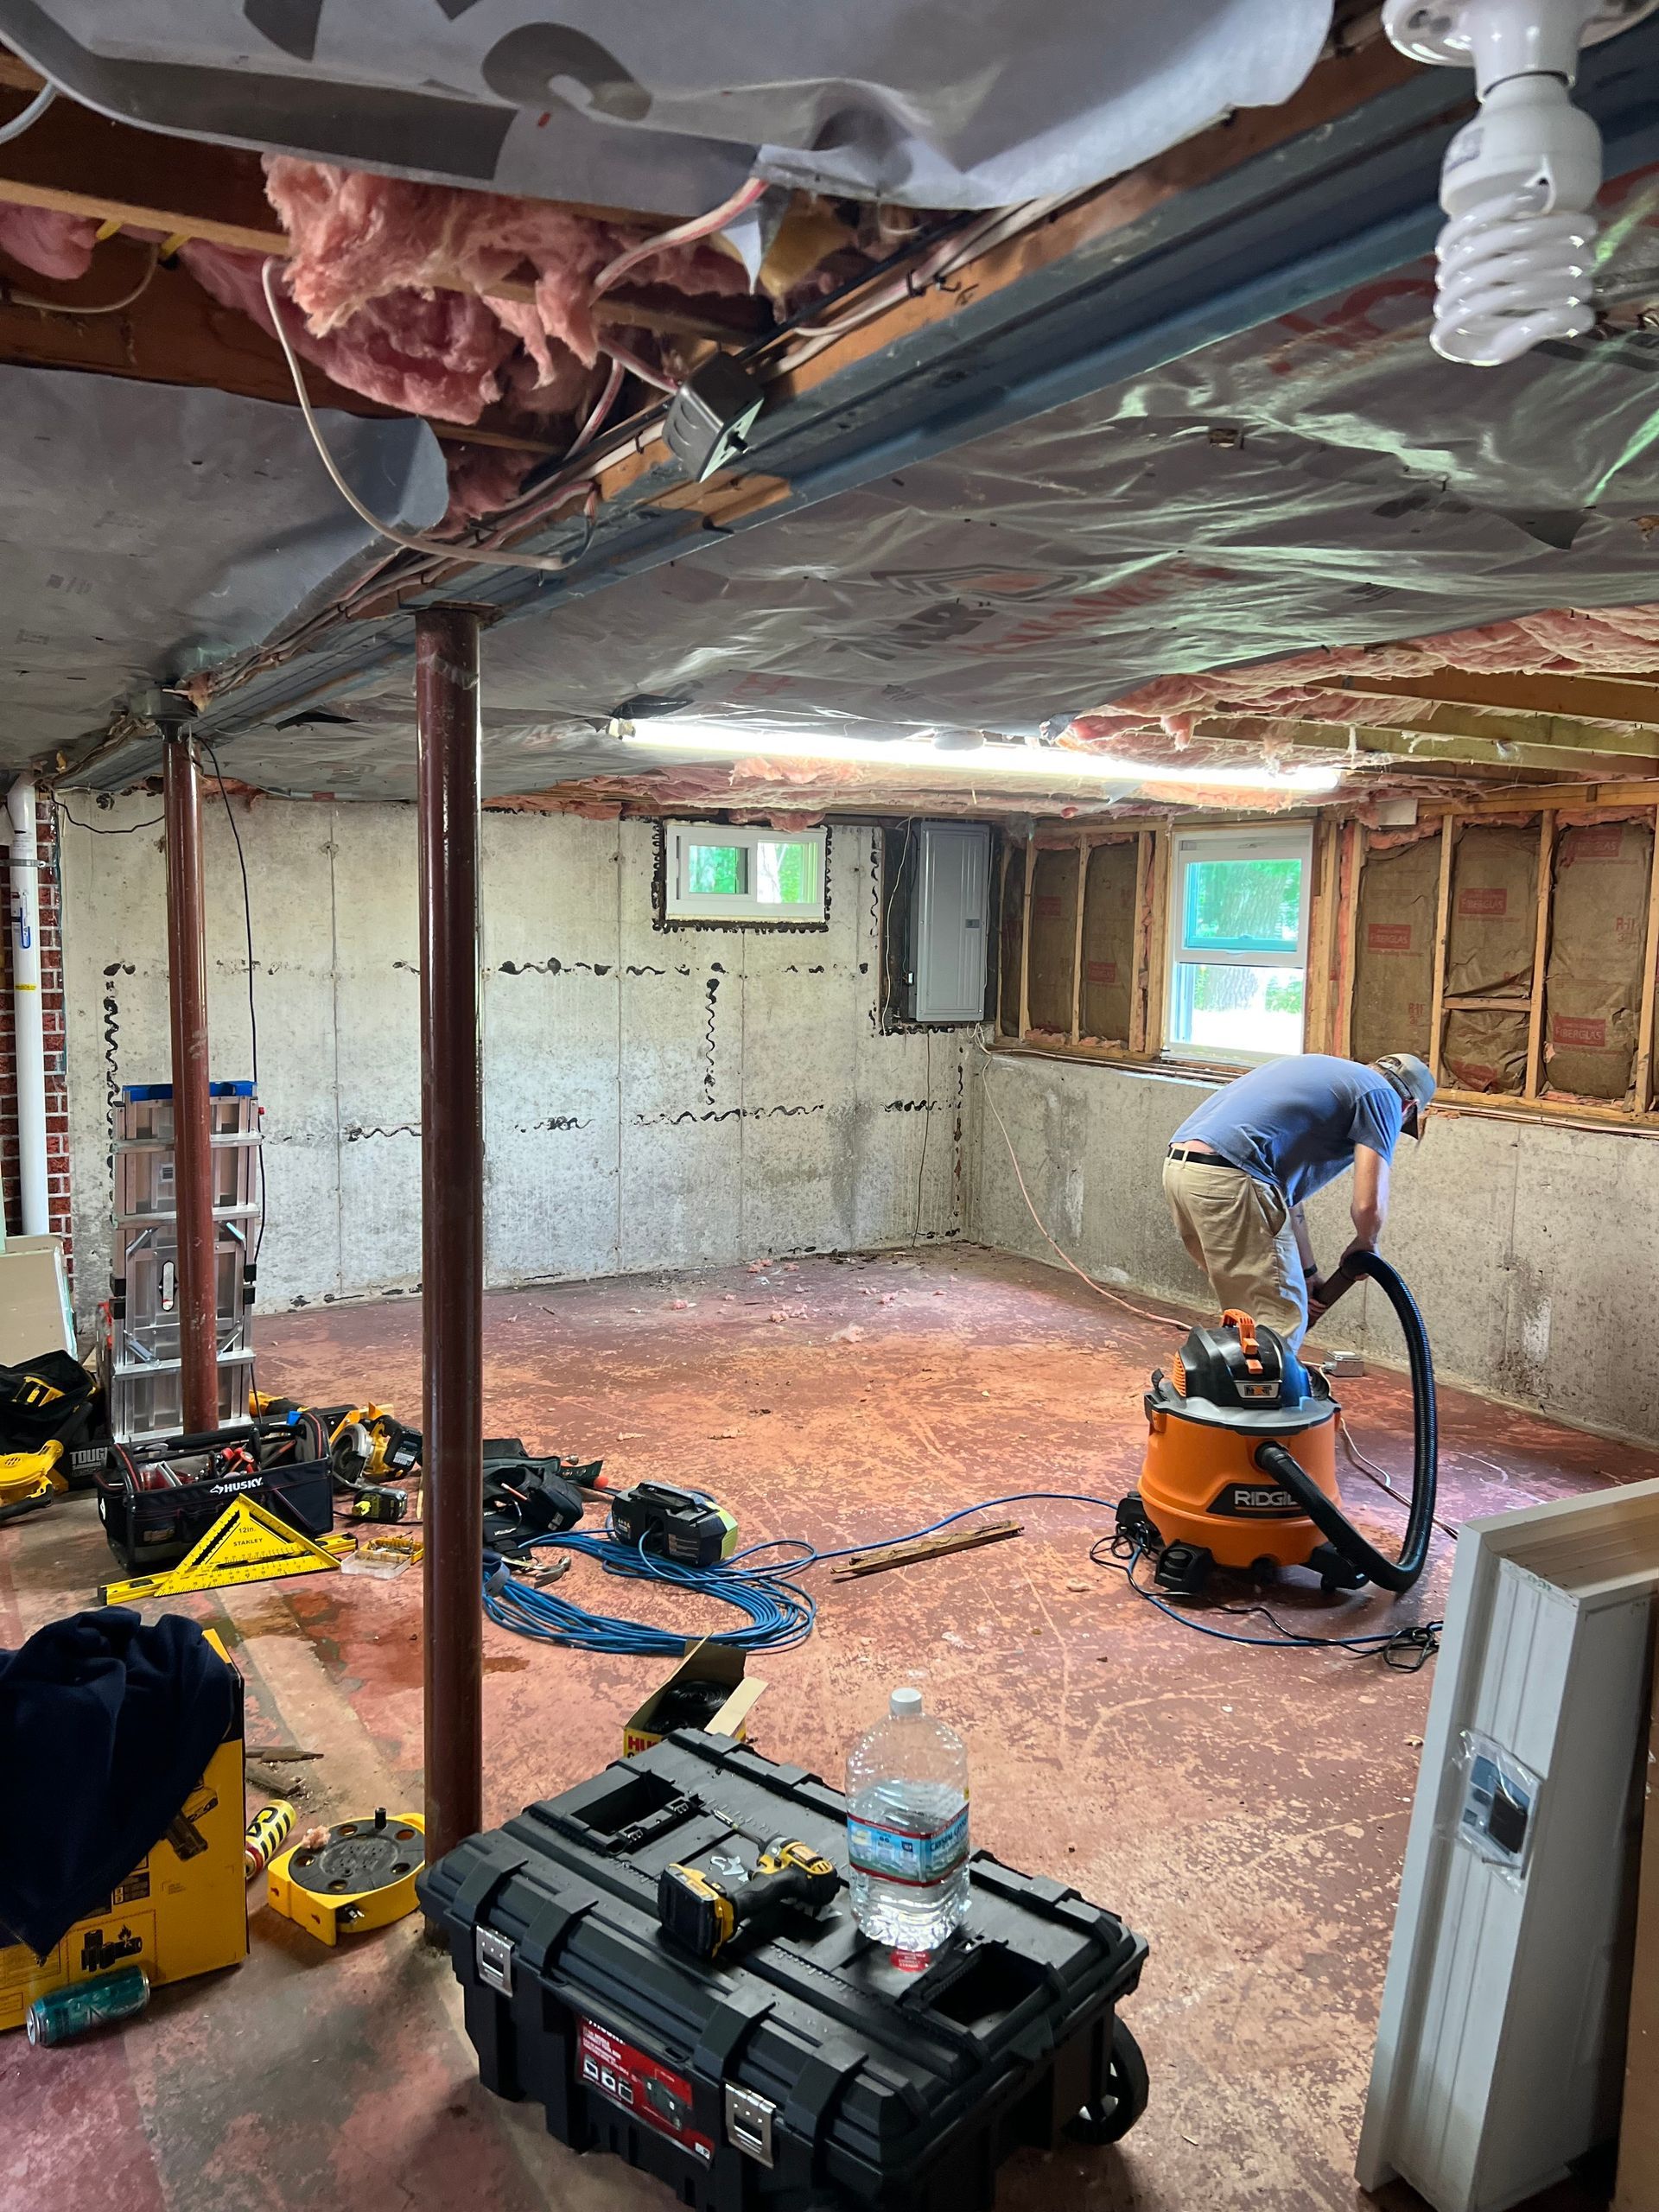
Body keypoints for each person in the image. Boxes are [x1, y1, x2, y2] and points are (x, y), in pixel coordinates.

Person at [1162, 1052, 1435, 1351]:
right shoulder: (1382, 1097)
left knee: (1248, 1312)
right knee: (1277, 1324)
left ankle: (1234, 1387)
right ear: (1408, 1106)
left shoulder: (1328, 1074)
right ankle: (1265, 1395)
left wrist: (1308, 1272)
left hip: (1185, 1172)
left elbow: (1287, 1198)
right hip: (1231, 1179)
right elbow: (1368, 1204)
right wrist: (1367, 1242)